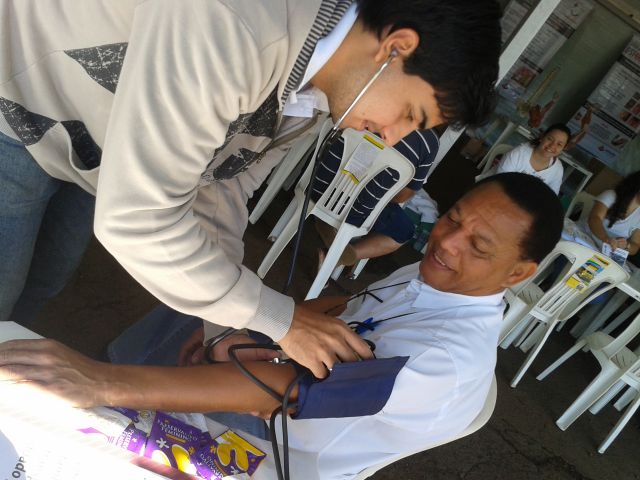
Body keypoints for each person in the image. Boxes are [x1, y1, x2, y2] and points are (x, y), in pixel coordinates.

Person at [0, 0, 502, 379]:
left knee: (42, 281)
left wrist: (226, 324)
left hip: (99, 147)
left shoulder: (313, 93)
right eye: (411, 114)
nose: (392, 137)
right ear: (397, 47)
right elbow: (136, 219)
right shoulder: (235, 23)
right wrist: (283, 320)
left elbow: (221, 188)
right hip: (20, 106)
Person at [0, 173, 565, 479]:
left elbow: (281, 393)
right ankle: (116, 380)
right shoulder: (435, 281)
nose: (446, 242)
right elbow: (345, 308)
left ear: (519, 273)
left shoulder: (446, 358)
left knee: (69, 426)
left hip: (270, 454)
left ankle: (109, 381)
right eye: (453, 218)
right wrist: (247, 330)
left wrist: (102, 382)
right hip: (266, 403)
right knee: (208, 304)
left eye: (477, 246)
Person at [312, 129, 439, 268]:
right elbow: (402, 196)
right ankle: (334, 257)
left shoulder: (374, 114)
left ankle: (328, 224)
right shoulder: (428, 142)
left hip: (317, 185)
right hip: (353, 212)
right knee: (404, 230)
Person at [484, 124, 571, 194]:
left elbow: (551, 196)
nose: (552, 146)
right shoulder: (519, 153)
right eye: (550, 139)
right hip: (492, 190)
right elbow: (500, 182)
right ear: (542, 137)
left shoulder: (557, 169)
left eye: (559, 144)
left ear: (563, 148)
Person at [585, 171, 640, 255]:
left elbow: (635, 245)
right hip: (584, 238)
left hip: (603, 252)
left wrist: (626, 246)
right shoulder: (611, 195)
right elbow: (594, 219)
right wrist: (606, 238)